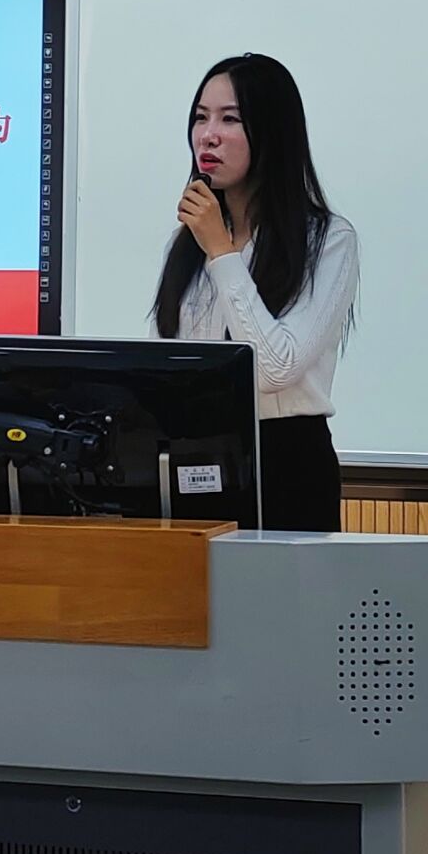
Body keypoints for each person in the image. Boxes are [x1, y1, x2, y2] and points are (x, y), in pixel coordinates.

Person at [153, 54, 359, 532]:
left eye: (230, 119)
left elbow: (273, 370)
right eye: (200, 118)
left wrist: (221, 253)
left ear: (273, 132)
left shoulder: (327, 240)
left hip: (287, 461)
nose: (208, 135)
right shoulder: (186, 244)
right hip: (195, 458)